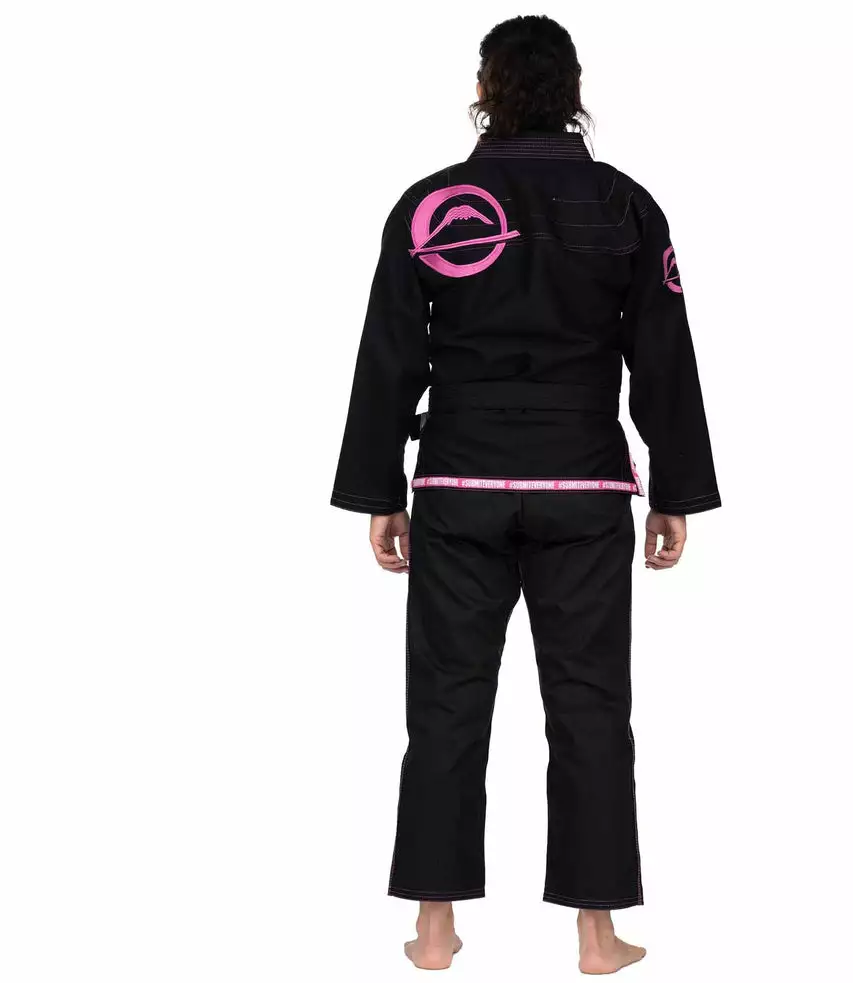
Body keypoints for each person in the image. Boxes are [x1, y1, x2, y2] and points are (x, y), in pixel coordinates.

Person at [331, 14, 720, 974]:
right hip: (584, 486)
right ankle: (596, 934)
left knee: (445, 706)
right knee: (591, 708)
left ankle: (434, 927)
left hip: (458, 482)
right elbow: (662, 356)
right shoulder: (624, 206)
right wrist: (673, 489)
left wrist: (381, 488)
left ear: (484, 88)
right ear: (573, 90)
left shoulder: (432, 204)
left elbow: (389, 355)